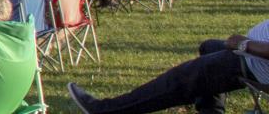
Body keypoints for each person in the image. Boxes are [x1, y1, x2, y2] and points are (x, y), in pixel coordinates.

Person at [68, 19, 269, 114]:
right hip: (252, 55)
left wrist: (245, 44)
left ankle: (105, 110)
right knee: (209, 46)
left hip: (254, 63)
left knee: (181, 80)